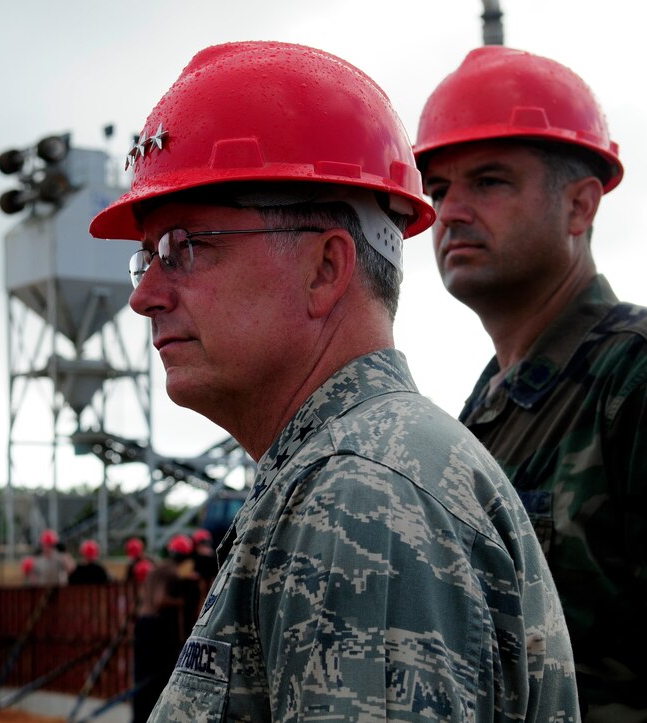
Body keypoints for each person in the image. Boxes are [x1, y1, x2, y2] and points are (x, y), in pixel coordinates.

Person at [89, 41, 577, 721]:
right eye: (148, 260)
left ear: (325, 267)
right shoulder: (343, 470)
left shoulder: (361, 495)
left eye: (185, 248)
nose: (146, 297)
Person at [414, 46, 647, 722]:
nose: (450, 211)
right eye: (437, 189)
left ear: (580, 206)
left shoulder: (631, 377)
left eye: (489, 181)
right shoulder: (480, 412)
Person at [130, 535, 194, 723]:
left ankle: (138, 717)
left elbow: (143, 598)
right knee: (156, 678)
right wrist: (181, 602)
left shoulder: (156, 569)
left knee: (141, 676)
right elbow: (160, 600)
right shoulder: (171, 573)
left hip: (142, 624)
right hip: (154, 627)